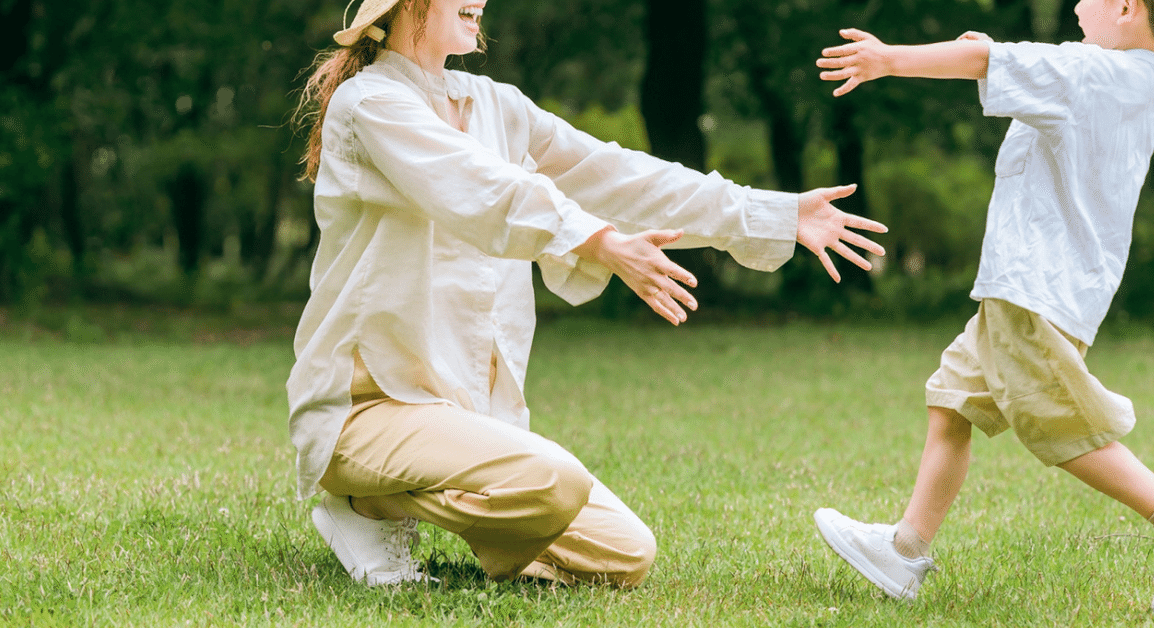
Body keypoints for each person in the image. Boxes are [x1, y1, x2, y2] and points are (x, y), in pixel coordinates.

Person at [288, 0, 888, 589]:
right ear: (400, 8)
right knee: (552, 480)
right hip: (367, 408)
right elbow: (482, 190)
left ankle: (433, 502)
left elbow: (618, 175)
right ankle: (366, 509)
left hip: (458, 418)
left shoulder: (496, 106)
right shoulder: (370, 103)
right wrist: (600, 242)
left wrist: (774, 213)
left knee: (626, 553)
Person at [810, 0, 1154, 616]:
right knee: (952, 402)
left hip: (1036, 291)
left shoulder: (1097, 75)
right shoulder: (1129, 74)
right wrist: (991, 56)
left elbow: (989, 60)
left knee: (1060, 428)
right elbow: (1014, 66)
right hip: (1027, 286)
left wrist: (889, 59)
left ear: (1126, 8)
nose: (1074, 4)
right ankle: (906, 550)